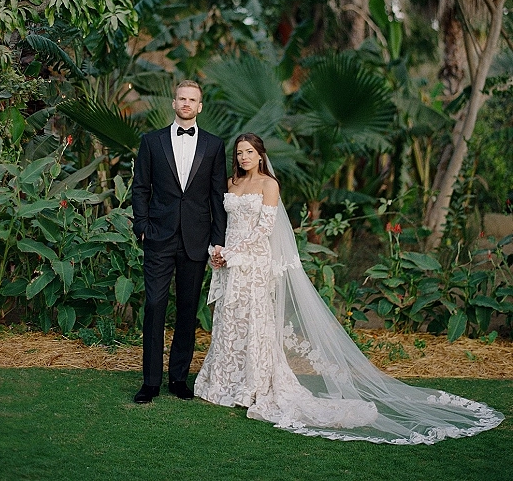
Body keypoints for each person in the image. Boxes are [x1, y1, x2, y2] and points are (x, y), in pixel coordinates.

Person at [195, 133, 505, 443]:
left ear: (261, 155)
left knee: (255, 323)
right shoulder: (231, 184)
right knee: (229, 321)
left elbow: (264, 231)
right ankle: (223, 384)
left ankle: (254, 386)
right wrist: (219, 252)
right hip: (229, 262)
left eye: (249, 152)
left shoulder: (268, 185)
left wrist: (236, 254)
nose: (244, 157)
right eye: (239, 153)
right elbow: (225, 223)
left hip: (254, 263)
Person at [131, 80, 227, 404]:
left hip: (196, 239)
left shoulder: (214, 146)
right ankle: (150, 382)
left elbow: (217, 196)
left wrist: (217, 239)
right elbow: (141, 187)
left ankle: (178, 378)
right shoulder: (151, 142)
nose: (186, 103)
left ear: (200, 107)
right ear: (174, 103)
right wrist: (141, 226)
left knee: (187, 310)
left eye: (193, 100)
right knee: (155, 305)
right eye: (182, 98)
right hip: (158, 235)